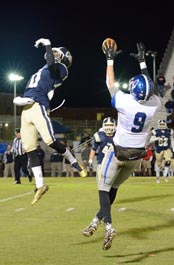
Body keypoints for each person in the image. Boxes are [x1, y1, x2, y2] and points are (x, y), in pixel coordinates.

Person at [83, 39, 162, 251]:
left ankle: (108, 225)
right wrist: (144, 63)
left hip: (119, 153)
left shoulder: (126, 103)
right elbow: (151, 87)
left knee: (103, 187)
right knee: (115, 187)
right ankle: (95, 220)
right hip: (136, 158)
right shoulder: (155, 104)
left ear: (134, 90)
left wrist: (110, 60)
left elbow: (110, 83)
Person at [13, 38, 87, 205]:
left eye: (57, 53)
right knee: (30, 149)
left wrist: (47, 44)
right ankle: (40, 185)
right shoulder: (45, 68)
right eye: (53, 52)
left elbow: (52, 65)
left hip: (38, 105)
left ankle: (75, 162)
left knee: (50, 140)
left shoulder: (61, 69)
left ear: (64, 58)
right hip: (26, 108)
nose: (53, 54)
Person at [86, 117, 116, 182]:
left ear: (114, 125)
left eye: (110, 125)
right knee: (101, 182)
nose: (109, 127)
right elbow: (93, 149)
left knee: (112, 182)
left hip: (114, 163)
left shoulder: (118, 135)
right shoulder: (99, 135)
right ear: (103, 125)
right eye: (107, 125)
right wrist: (90, 161)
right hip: (101, 162)